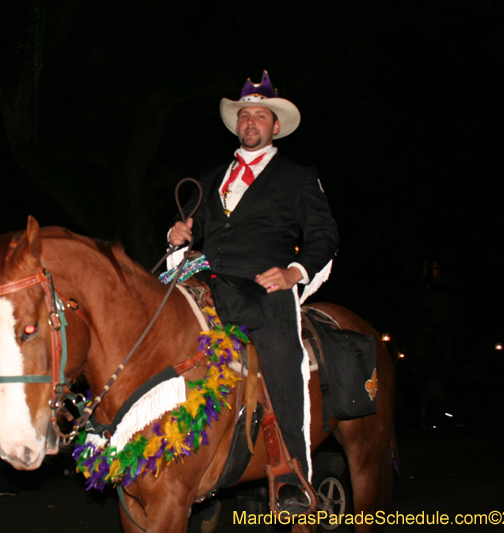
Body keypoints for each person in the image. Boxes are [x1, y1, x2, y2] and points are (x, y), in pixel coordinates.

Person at [168, 71, 338, 514]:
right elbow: (197, 229)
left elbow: (324, 234)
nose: (250, 123)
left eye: (260, 116)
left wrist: (294, 271)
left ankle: (293, 473)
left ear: (275, 127)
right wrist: (180, 234)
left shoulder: (298, 177)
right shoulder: (211, 176)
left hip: (265, 284)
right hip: (206, 277)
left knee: (282, 353)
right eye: (245, 116)